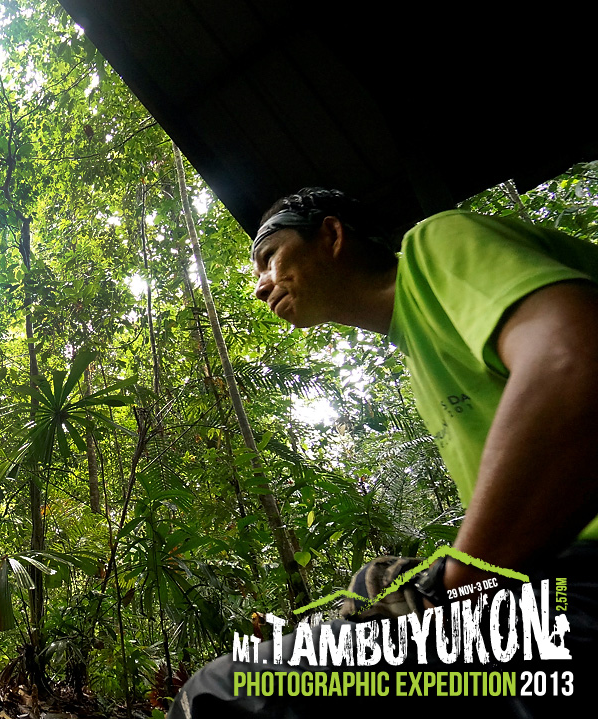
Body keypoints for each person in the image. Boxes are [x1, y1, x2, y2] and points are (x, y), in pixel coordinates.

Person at [172, 189, 598, 717]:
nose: (260, 286)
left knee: (220, 694)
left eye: (269, 256)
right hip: (543, 588)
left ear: (332, 235)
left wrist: (445, 587)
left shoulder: (438, 242)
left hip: (576, 592)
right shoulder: (418, 348)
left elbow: (573, 365)